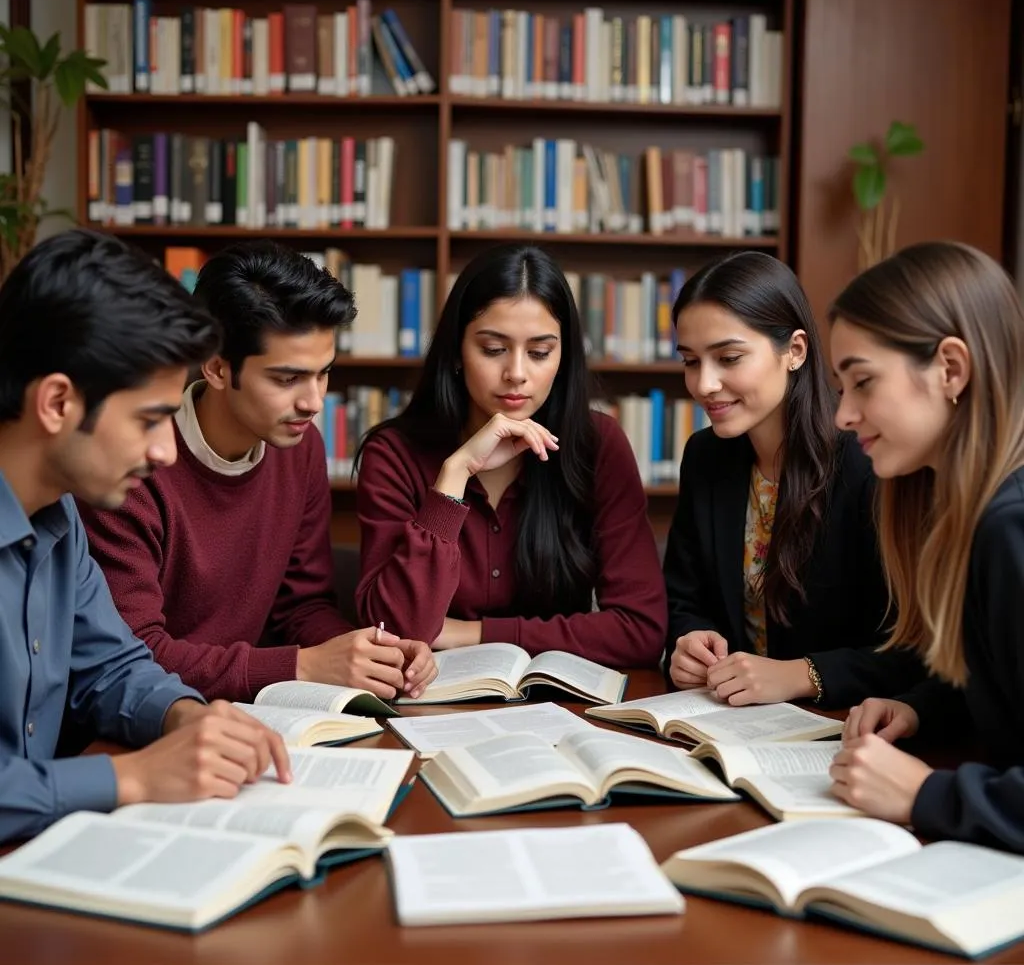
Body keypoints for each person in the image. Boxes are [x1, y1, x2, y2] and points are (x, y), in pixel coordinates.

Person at [0, 229, 290, 844]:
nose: (165, 451)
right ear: (57, 403)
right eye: (149, 420)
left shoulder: (59, 514)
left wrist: (188, 718)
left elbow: (108, 664)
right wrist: (131, 777)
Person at [80, 241, 435, 704]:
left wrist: (371, 653)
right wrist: (302, 666)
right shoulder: (133, 466)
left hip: (256, 711)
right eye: (287, 379)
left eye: (323, 373)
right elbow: (134, 653)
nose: (312, 402)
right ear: (217, 368)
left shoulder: (300, 445)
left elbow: (301, 605)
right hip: (155, 720)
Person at [354, 243, 667, 665]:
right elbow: (391, 630)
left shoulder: (597, 445)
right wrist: (455, 475)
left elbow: (640, 630)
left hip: (558, 705)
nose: (517, 373)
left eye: (540, 353)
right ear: (458, 353)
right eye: (493, 349)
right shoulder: (394, 454)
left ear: (563, 357)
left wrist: (474, 634)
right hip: (428, 707)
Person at [829, 241, 1024, 853]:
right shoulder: (962, 509)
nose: (842, 415)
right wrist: (922, 708)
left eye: (862, 382)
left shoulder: (1012, 529)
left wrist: (925, 796)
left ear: (950, 369)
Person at [663, 251, 922, 707]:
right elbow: (684, 597)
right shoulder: (704, 456)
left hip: (842, 724)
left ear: (795, 351)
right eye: (690, 361)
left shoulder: (868, 459)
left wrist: (804, 675)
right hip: (727, 717)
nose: (704, 384)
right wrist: (688, 640)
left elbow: (912, 646)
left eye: (728, 357)